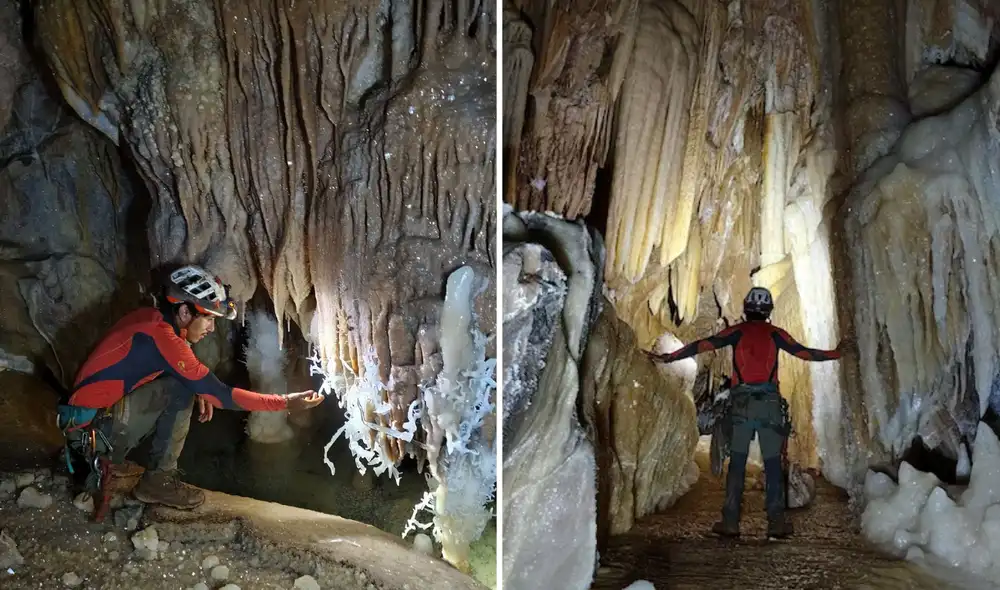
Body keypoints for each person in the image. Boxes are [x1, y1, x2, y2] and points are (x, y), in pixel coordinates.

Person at [60, 265, 324, 512]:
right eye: (207, 318)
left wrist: (199, 387)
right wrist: (287, 402)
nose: (212, 327)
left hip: (86, 425)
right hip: (91, 436)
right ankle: (156, 481)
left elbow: (160, 364)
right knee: (180, 388)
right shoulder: (162, 337)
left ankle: (112, 457)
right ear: (185, 312)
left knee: (185, 384)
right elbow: (221, 396)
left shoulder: (152, 321)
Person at [649, 286, 848, 538]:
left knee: (738, 464)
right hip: (769, 404)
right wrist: (836, 353)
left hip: (742, 404)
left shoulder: (737, 332)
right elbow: (805, 353)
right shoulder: (775, 334)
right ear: (768, 311)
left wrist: (670, 357)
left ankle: (731, 522)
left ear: (746, 308)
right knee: (774, 464)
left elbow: (703, 345)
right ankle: (776, 523)